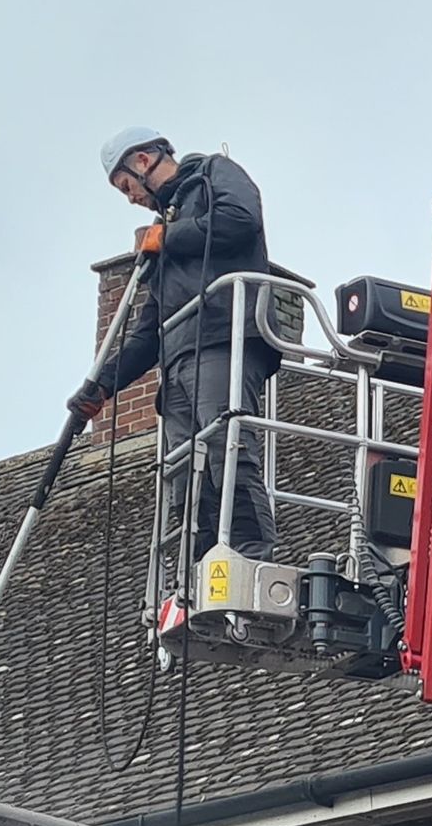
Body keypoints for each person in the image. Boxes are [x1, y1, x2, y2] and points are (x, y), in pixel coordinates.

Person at [70, 128, 280, 568]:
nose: (130, 199)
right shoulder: (165, 231)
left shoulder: (212, 174)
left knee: (226, 446)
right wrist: (102, 386)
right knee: (186, 474)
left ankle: (248, 557)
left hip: (224, 336)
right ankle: (198, 571)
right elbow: (150, 331)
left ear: (143, 161)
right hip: (179, 361)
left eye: (126, 186)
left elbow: (241, 221)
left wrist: (168, 238)